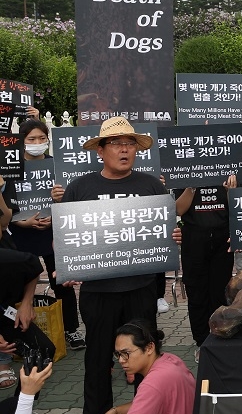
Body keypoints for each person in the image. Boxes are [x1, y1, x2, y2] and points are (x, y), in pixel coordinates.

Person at [49, 117, 169, 414]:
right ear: (100, 150)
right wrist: (66, 266)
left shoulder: (151, 185)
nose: (124, 150)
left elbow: (164, 231)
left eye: (129, 144)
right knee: (98, 360)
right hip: (98, 293)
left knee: (146, 359)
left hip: (141, 288)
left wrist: (172, 234)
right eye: (116, 143)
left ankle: (146, 408)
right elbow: (64, 237)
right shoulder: (79, 188)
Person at [7, 119, 85, 351]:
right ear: (22, 141)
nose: (37, 143)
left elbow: (73, 199)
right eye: (31, 139)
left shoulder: (58, 165)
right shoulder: (11, 167)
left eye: (42, 138)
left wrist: (58, 206)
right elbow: (6, 206)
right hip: (22, 235)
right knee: (19, 286)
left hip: (55, 232)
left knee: (63, 282)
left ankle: (71, 329)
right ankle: (21, 333)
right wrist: (22, 222)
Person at [174, 175, 237, 358]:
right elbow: (179, 209)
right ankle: (202, 341)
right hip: (193, 241)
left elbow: (240, 207)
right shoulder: (184, 172)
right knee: (196, 293)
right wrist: (191, 187)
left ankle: (219, 335)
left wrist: (230, 191)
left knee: (219, 291)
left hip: (222, 240)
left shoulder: (229, 172)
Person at [0, 246, 56, 397]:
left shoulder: (10, 258)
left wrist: (26, 303)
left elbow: (34, 267)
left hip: (4, 310)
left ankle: (22, 405)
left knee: (42, 350)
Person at [108, 318, 195, 414]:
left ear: (149, 348)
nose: (121, 360)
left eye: (126, 353)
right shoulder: (172, 359)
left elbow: (149, 394)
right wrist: (116, 410)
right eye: (118, 354)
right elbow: (145, 403)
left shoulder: (151, 385)